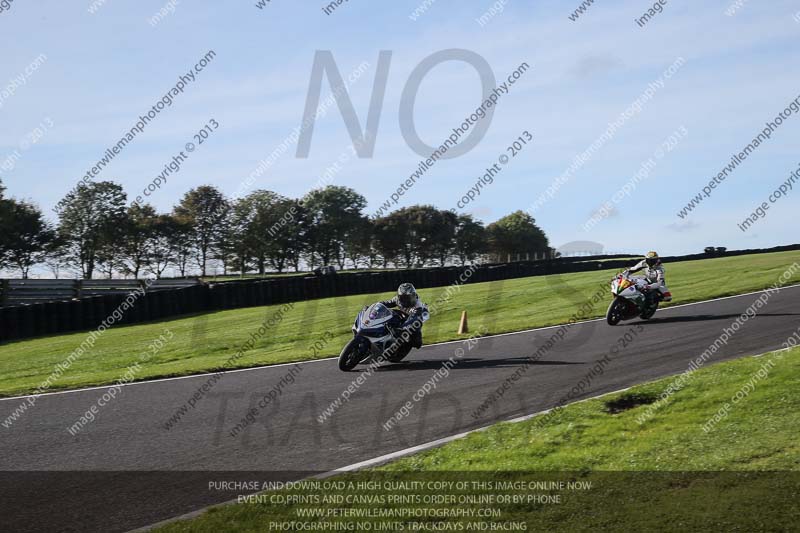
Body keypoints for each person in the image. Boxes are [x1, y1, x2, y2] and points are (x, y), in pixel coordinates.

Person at [380, 283, 429, 349]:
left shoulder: (418, 306)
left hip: (421, 315)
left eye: (409, 297)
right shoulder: (396, 299)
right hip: (404, 313)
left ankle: (409, 337)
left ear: (414, 295)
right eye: (403, 298)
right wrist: (373, 306)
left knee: (417, 342)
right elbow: (386, 303)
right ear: (399, 297)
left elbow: (413, 318)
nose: (406, 300)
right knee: (391, 313)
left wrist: (402, 328)